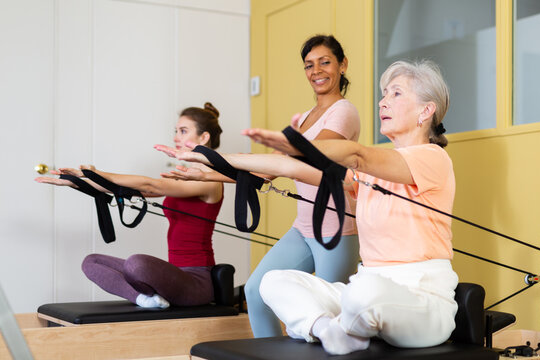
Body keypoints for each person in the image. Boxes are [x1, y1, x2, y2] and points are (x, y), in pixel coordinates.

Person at [240, 59, 457, 355]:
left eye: (395, 94)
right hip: (365, 287)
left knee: (365, 293)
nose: (383, 102)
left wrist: (298, 144)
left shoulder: (433, 158)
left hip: (422, 300)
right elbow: (286, 167)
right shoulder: (370, 170)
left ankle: (338, 326)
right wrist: (209, 163)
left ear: (426, 110)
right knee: (274, 281)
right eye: (383, 94)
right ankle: (329, 330)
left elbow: (356, 155)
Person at [158, 34, 362, 337]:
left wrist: (208, 156)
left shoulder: (343, 111)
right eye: (309, 65)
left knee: (335, 316)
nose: (316, 70)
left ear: (342, 65)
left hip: (335, 227)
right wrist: (204, 172)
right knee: (256, 291)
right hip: (303, 228)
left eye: (325, 62)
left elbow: (309, 158)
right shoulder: (304, 118)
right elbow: (265, 172)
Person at [35, 103, 224, 308]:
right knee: (92, 262)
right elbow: (134, 191)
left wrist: (97, 174)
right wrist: (76, 182)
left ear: (204, 137)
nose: (176, 137)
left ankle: (150, 295)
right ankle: (145, 299)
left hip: (195, 281)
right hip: (174, 275)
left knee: (137, 264)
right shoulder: (184, 179)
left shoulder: (210, 181)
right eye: (176, 131)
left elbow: (151, 184)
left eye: (183, 131)